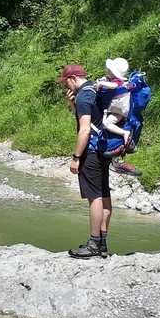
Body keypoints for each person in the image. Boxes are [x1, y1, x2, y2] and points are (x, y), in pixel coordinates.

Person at [57, 64, 111, 259]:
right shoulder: (93, 91)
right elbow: (93, 120)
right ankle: (102, 243)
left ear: (72, 78)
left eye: (66, 82)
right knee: (104, 194)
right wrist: (73, 105)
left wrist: (76, 157)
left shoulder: (83, 96)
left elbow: (85, 129)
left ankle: (93, 244)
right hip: (104, 151)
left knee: (94, 196)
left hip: (91, 152)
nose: (66, 87)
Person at [95, 57, 131, 148]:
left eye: (109, 70)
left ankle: (124, 133)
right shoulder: (124, 81)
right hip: (122, 109)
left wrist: (101, 83)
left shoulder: (117, 81)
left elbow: (114, 86)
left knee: (107, 124)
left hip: (118, 110)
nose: (108, 70)